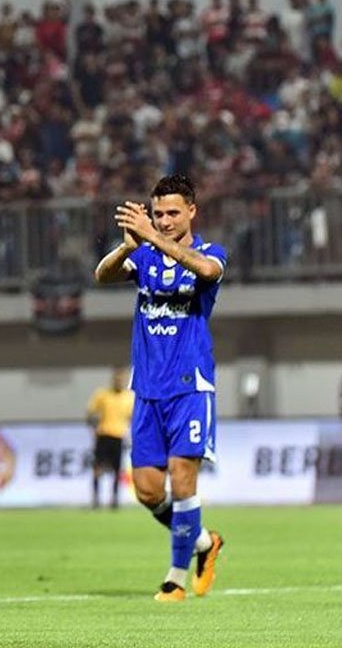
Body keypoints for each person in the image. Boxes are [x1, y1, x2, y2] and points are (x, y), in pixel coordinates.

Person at [94, 174, 225, 602]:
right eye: (158, 214)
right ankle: (204, 541)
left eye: (172, 213)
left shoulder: (210, 254)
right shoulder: (145, 256)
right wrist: (127, 247)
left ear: (192, 211)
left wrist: (151, 237)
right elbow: (102, 275)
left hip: (190, 386)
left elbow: (207, 271)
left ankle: (175, 579)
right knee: (148, 490)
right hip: (148, 389)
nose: (164, 221)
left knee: (183, 481)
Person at [86, 366, 133, 509]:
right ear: (113, 380)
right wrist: (93, 429)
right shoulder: (102, 395)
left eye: (121, 379)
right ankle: (96, 500)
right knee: (97, 469)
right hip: (103, 435)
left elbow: (132, 417)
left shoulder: (128, 397)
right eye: (116, 379)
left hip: (118, 437)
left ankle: (114, 500)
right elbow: (90, 413)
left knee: (117, 471)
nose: (119, 381)